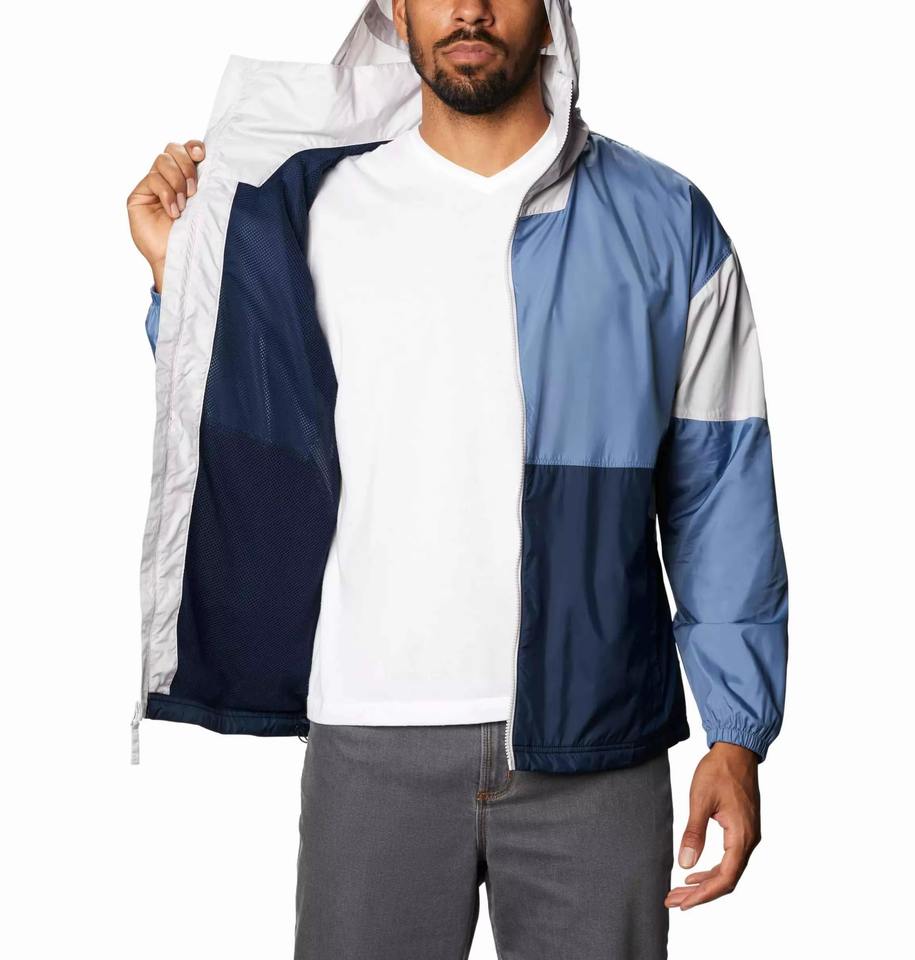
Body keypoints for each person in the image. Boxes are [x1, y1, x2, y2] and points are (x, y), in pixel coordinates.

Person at [127, 2, 789, 957]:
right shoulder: (314, 206)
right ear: (396, 10)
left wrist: (735, 732)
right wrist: (177, 276)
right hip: (369, 737)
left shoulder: (664, 221)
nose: (469, 7)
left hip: (597, 744)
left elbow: (719, 487)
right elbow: (242, 414)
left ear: (551, 15)